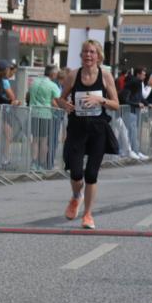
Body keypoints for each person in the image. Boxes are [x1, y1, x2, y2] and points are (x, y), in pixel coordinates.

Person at [55, 40, 120, 230]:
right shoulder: (73, 76)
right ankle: (76, 197)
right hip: (77, 128)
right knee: (76, 173)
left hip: (98, 129)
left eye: (92, 52)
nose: (88, 55)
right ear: (81, 55)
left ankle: (88, 215)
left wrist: (100, 99)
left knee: (91, 174)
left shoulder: (105, 76)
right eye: (85, 52)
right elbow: (59, 98)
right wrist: (63, 104)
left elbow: (116, 104)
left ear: (98, 55)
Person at [28, 65, 62, 170]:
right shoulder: (52, 85)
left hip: (33, 113)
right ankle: (41, 163)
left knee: (35, 139)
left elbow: (28, 95)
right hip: (45, 114)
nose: (57, 76)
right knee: (43, 140)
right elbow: (59, 100)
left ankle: (33, 163)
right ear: (52, 74)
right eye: (56, 74)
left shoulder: (34, 82)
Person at [120, 66, 149, 161]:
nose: (144, 77)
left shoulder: (138, 83)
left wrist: (147, 104)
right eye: (143, 74)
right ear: (138, 74)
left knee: (133, 133)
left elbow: (140, 97)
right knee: (129, 133)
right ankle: (128, 151)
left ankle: (135, 151)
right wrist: (137, 104)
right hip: (129, 111)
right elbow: (126, 99)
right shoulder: (132, 84)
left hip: (134, 112)